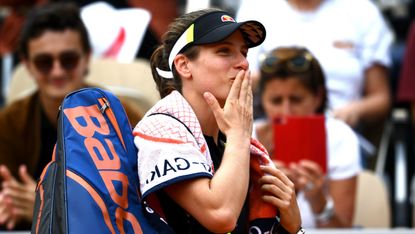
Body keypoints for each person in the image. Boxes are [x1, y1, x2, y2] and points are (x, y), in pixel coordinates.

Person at [133, 8, 303, 233]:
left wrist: (291, 227)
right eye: (224, 51)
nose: (243, 63)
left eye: (243, 52)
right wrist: (239, 136)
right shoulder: (162, 128)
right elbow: (220, 215)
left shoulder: (231, 140)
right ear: (184, 65)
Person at [0, 2, 141, 230]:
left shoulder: (122, 116)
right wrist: (7, 205)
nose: (57, 71)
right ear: (27, 64)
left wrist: (42, 205)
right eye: (44, 62)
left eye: (68, 60)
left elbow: (143, 199)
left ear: (86, 58)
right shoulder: (8, 124)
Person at [236, 0, 393, 130]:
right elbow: (240, 82)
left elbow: (381, 98)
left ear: (319, 97)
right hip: (270, 128)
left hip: (339, 130)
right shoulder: (255, 7)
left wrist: (355, 111)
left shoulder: (363, 11)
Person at [254, 46, 361, 228]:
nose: (285, 111)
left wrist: (318, 200)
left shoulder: (340, 137)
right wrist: (258, 188)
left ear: (318, 97)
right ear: (262, 99)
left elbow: (343, 230)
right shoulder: (246, 137)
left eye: (296, 99)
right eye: (276, 100)